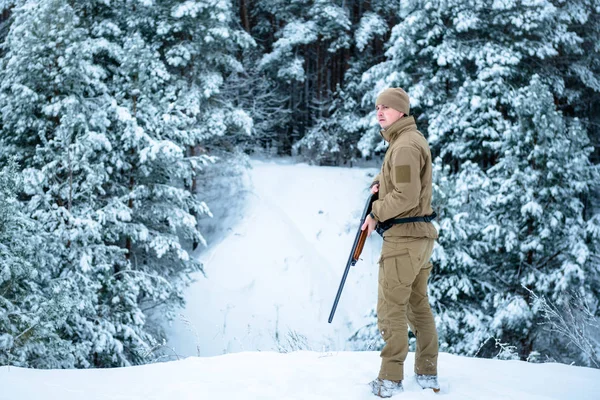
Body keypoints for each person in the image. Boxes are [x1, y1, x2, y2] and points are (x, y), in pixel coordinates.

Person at [361, 87, 440, 397]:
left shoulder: (405, 145)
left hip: (404, 239)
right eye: (378, 107)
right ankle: (427, 373)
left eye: (387, 107)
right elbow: (401, 184)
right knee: (417, 305)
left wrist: (377, 212)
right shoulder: (405, 141)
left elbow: (405, 197)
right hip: (419, 238)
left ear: (402, 111)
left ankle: (390, 378)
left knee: (391, 308)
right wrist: (380, 184)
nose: (380, 111)